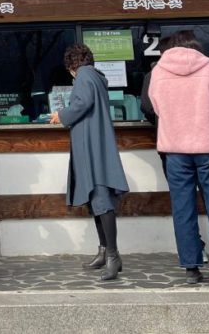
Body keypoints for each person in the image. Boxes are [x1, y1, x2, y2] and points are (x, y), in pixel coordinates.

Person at [148, 31, 209, 290]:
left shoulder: (159, 71)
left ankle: (191, 268)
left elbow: (156, 106)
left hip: (175, 149)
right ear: (195, 47)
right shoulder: (208, 67)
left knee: (183, 208)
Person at [50, 44, 129, 281]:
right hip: (95, 144)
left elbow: (82, 104)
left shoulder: (84, 76)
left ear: (71, 65)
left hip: (92, 147)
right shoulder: (95, 76)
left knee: (101, 199)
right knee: (96, 199)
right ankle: (104, 251)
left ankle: (113, 255)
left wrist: (60, 115)